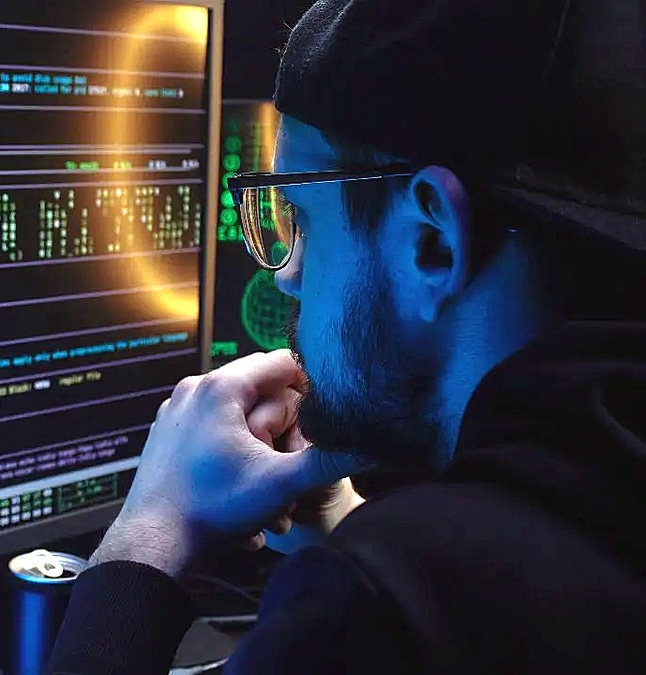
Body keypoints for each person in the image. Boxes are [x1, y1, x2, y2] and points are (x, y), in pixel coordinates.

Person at [48, 0, 646, 673]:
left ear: (432, 242)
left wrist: (153, 529)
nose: (288, 275)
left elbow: (410, 609)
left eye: (302, 219)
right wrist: (333, 525)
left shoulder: (391, 600)